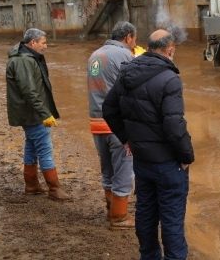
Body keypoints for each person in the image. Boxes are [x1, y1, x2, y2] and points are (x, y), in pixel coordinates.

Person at [103, 29, 194, 260]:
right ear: (170, 49)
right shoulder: (170, 79)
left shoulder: (127, 71)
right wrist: (186, 157)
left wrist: (127, 139)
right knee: (172, 219)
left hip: (142, 161)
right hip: (168, 163)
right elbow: (175, 126)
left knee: (146, 212)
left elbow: (108, 109)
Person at [6, 28, 69, 201]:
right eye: (43, 42)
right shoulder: (24, 61)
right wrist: (44, 113)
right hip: (33, 114)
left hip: (29, 112)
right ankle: (54, 189)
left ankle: (32, 185)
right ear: (33, 43)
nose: (46, 46)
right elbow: (29, 91)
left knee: (32, 147)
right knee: (45, 149)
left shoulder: (24, 57)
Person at [87, 21, 138, 229]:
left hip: (96, 123)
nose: (135, 43)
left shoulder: (95, 55)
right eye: (134, 39)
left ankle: (110, 209)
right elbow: (133, 89)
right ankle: (119, 217)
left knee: (107, 169)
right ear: (128, 37)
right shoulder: (124, 56)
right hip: (116, 126)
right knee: (124, 170)